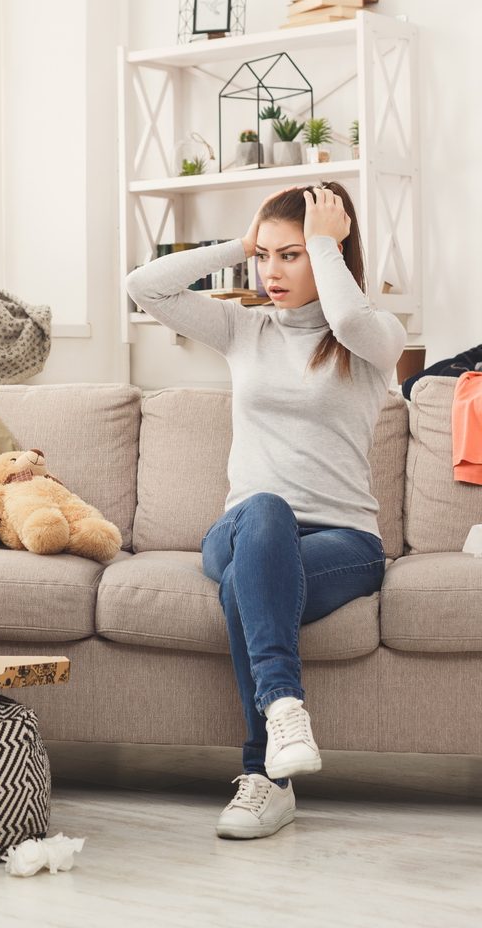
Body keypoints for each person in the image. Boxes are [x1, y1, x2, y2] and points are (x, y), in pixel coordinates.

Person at [125, 183, 406, 840]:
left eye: (292, 256)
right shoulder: (243, 327)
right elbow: (145, 285)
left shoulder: (372, 341)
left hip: (344, 541)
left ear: (330, 255)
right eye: (265, 257)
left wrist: (324, 243)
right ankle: (284, 710)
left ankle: (265, 779)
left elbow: (352, 320)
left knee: (249, 589)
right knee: (265, 514)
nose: (271, 273)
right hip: (244, 524)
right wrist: (237, 243)